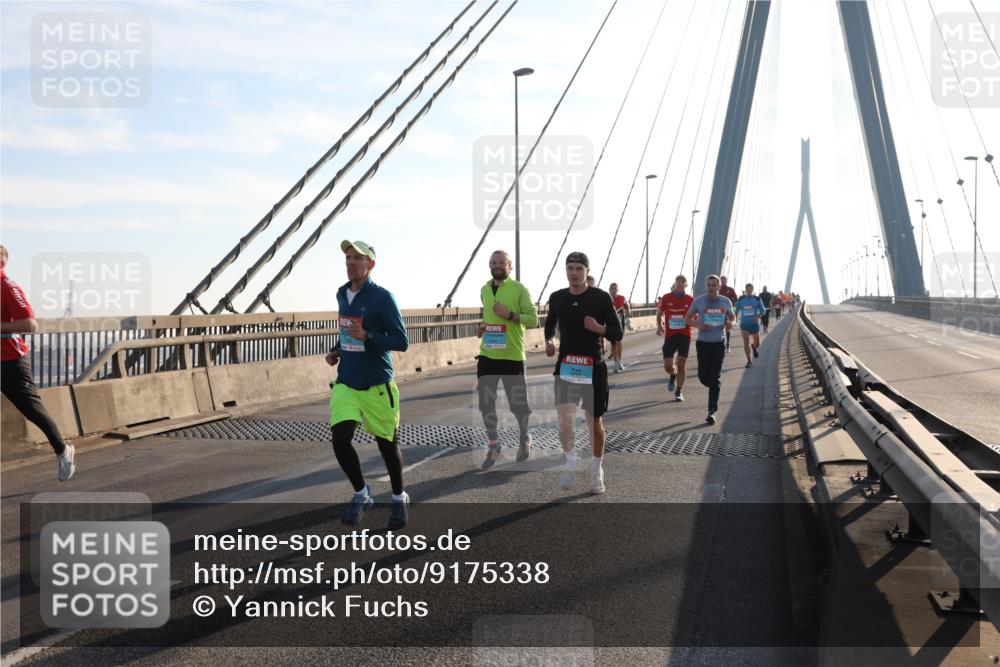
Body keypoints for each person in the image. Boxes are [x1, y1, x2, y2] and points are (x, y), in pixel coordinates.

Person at [325, 240, 410, 529]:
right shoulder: (342, 294)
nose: (350, 262)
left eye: (357, 258)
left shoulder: (383, 298)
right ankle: (362, 493)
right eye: (348, 257)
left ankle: (398, 497)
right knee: (340, 439)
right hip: (347, 382)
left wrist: (369, 336)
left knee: (387, 445)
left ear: (370, 264)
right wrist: (337, 349)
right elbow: (348, 331)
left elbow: (401, 341)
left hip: (377, 384)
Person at [544, 252, 623, 494]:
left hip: (593, 368)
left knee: (594, 423)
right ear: (566, 271)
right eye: (570, 268)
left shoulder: (600, 298)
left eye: (579, 268)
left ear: (587, 271)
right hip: (567, 367)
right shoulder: (557, 297)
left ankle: (597, 470)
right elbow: (550, 323)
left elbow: (617, 332)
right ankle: (571, 460)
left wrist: (600, 328)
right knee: (564, 423)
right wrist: (549, 340)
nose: (575, 273)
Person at [0, 245, 75, 481]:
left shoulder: (8, 287)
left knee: (32, 409)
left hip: (10, 361)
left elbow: (30, 325)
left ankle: (62, 450)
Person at [477, 250, 538, 469]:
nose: (498, 265)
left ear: (510, 266)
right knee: (486, 403)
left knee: (518, 404)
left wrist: (510, 315)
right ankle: (494, 445)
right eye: (494, 262)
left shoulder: (520, 289)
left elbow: (533, 320)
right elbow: (489, 317)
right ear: (489, 265)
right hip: (488, 355)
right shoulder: (484, 289)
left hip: (512, 356)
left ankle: (524, 437)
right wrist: (483, 327)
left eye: (502, 262)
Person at [686, 274, 736, 425]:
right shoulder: (699, 301)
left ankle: (712, 411)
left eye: (714, 285)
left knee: (715, 378)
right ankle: (714, 386)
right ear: (706, 286)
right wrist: (698, 325)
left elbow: (733, 317)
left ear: (719, 287)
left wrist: (731, 324)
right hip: (703, 343)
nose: (711, 288)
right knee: (703, 377)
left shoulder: (725, 301)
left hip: (718, 343)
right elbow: (687, 319)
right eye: (709, 285)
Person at [656, 274, 694, 402]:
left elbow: (695, 316)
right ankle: (673, 374)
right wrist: (659, 327)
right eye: (678, 282)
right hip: (670, 336)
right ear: (675, 284)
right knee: (668, 366)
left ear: (686, 285)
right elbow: (659, 313)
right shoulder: (666, 297)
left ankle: (679, 391)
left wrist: (699, 324)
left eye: (682, 282)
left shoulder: (690, 300)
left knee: (681, 363)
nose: (680, 284)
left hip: (685, 335)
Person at [735, 284, 766, 368]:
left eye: (750, 289)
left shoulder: (757, 299)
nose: (749, 291)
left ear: (752, 290)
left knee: (757, 344)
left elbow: (763, 310)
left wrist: (758, 316)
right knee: (746, 342)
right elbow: (736, 310)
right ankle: (749, 361)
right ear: (745, 290)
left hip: (754, 324)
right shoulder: (741, 299)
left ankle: (754, 347)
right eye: (747, 289)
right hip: (744, 324)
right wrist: (734, 316)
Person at [607, 283, 631, 373]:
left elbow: (627, 306)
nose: (613, 290)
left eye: (615, 289)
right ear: (609, 290)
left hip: (620, 324)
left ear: (618, 289)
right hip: (610, 324)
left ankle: (619, 361)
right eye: (612, 289)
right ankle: (615, 362)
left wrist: (628, 312)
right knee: (613, 344)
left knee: (619, 342)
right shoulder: (606, 298)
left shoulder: (622, 298)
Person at [718, 276, 739, 352]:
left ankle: (727, 345)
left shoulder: (730, 289)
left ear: (726, 281)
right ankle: (720, 344)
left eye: (724, 280)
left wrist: (732, 305)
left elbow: (736, 298)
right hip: (719, 311)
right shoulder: (717, 289)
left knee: (727, 328)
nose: (723, 281)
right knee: (719, 328)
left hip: (728, 311)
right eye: (721, 280)